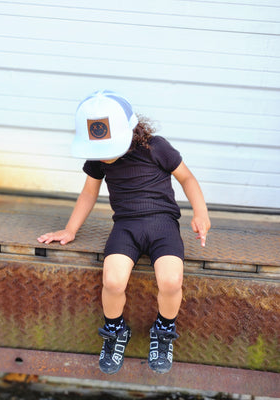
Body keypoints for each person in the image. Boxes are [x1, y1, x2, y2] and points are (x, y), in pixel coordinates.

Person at [37, 90, 211, 375]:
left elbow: (187, 178)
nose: (102, 156)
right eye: (97, 150)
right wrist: (70, 230)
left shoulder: (156, 147)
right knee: (113, 281)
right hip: (126, 227)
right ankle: (115, 331)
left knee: (171, 281)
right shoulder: (98, 159)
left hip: (163, 226)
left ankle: (164, 330)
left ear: (129, 132)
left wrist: (201, 212)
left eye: (108, 148)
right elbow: (88, 193)